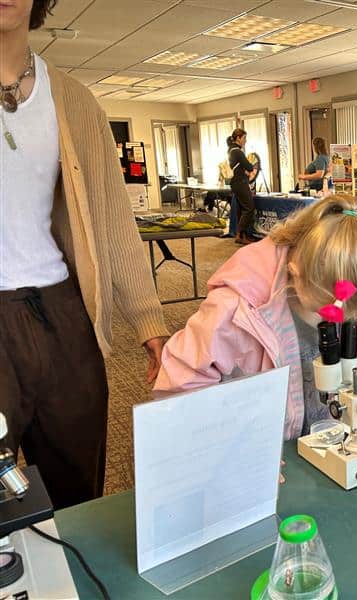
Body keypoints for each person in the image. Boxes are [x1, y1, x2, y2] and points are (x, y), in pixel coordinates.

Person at [0, 0, 168, 509]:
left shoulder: (70, 98)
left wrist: (148, 321)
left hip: (61, 313)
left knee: (79, 486)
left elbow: (112, 216)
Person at [154, 194, 357, 439]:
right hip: (251, 438)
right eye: (328, 312)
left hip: (319, 432)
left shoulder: (343, 292)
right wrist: (231, 448)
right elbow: (180, 388)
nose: (337, 323)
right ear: (295, 273)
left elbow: (351, 366)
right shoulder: (234, 308)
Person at [227, 128, 257, 244]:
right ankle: (240, 234)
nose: (246, 140)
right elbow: (249, 166)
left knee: (241, 209)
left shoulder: (230, 150)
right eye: (244, 138)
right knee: (249, 208)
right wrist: (251, 168)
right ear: (238, 138)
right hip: (240, 183)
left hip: (236, 183)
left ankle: (241, 235)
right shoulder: (237, 152)